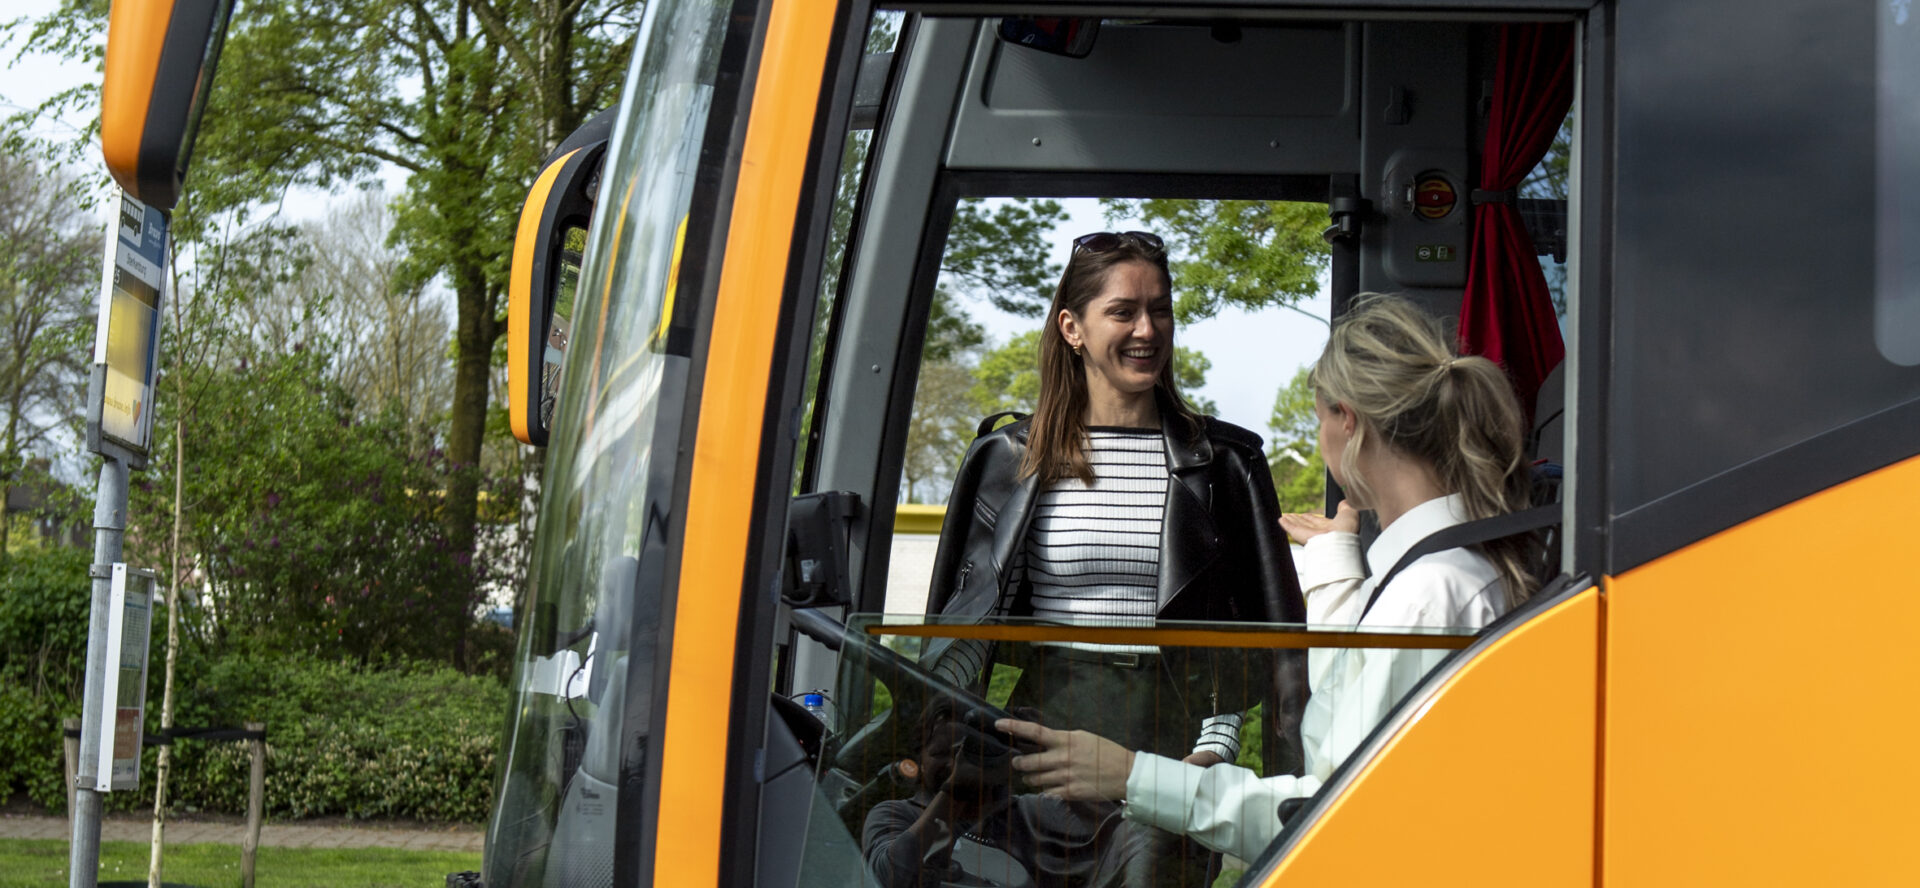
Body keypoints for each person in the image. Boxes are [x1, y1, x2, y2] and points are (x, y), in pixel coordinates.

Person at [993, 293, 1543, 864]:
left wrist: (1131, 775)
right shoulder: (1436, 577)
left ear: (1346, 422)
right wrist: (1334, 563)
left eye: (1319, 421)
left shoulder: (1430, 596)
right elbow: (1342, 727)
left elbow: (1330, 809)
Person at [921, 230, 1309, 886]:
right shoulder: (1008, 460)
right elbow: (955, 637)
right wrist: (946, 757)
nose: (1147, 329)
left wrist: (1213, 750)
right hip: (1038, 748)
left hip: (1167, 753)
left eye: (1161, 310)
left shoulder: (1226, 466)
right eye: (1124, 311)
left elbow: (1259, 643)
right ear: (1072, 327)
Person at [863, 699, 1153, 888]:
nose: (955, 762)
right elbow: (890, 878)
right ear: (917, 761)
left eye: (968, 750)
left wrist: (1046, 758)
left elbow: (1120, 832)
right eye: (941, 753)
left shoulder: (1028, 812)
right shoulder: (895, 814)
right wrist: (957, 790)